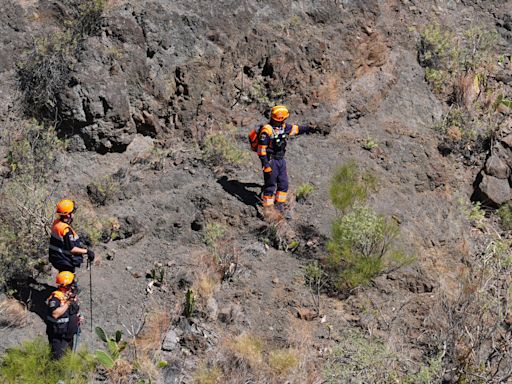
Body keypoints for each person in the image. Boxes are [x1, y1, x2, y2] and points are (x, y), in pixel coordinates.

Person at [256, 105, 312, 214]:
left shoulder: (283, 127)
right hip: (271, 161)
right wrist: (266, 165)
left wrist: (308, 128)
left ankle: (279, 207)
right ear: (279, 119)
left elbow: (296, 129)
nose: (285, 120)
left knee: (283, 184)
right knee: (270, 186)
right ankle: (268, 210)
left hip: (281, 160)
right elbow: (261, 150)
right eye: (284, 118)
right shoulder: (267, 130)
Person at [49, 199, 95, 274]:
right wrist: (87, 251)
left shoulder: (56, 223)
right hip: (64, 261)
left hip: (55, 257)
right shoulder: (65, 230)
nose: (74, 214)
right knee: (67, 282)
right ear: (68, 215)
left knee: (63, 280)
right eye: (73, 212)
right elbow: (72, 249)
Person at [46, 271, 81, 359]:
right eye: (71, 283)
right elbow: (55, 314)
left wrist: (77, 318)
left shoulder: (70, 296)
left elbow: (72, 312)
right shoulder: (55, 298)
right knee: (57, 360)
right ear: (65, 285)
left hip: (69, 335)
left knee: (67, 359)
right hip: (59, 336)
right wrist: (68, 303)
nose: (74, 285)